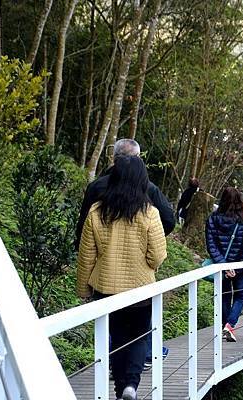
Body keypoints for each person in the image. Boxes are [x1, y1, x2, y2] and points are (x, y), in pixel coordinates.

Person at [77, 156, 167, 400]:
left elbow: (86, 255)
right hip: (140, 288)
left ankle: (119, 392)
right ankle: (131, 386)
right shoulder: (150, 213)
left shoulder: (97, 211)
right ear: (142, 181)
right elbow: (158, 256)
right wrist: (147, 265)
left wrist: (83, 289)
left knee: (117, 339)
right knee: (139, 336)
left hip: (106, 287)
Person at [75, 138, 175, 249]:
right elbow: (168, 220)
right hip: (138, 255)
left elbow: (84, 223)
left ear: (113, 157)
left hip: (101, 253)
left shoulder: (97, 186)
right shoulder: (149, 189)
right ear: (138, 158)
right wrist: (147, 243)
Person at [205, 187, 243, 342]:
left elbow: (211, 246)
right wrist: (236, 269)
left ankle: (224, 326)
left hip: (221, 267)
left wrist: (224, 266)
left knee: (224, 297)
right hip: (239, 268)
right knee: (239, 296)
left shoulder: (213, 219)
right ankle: (229, 325)